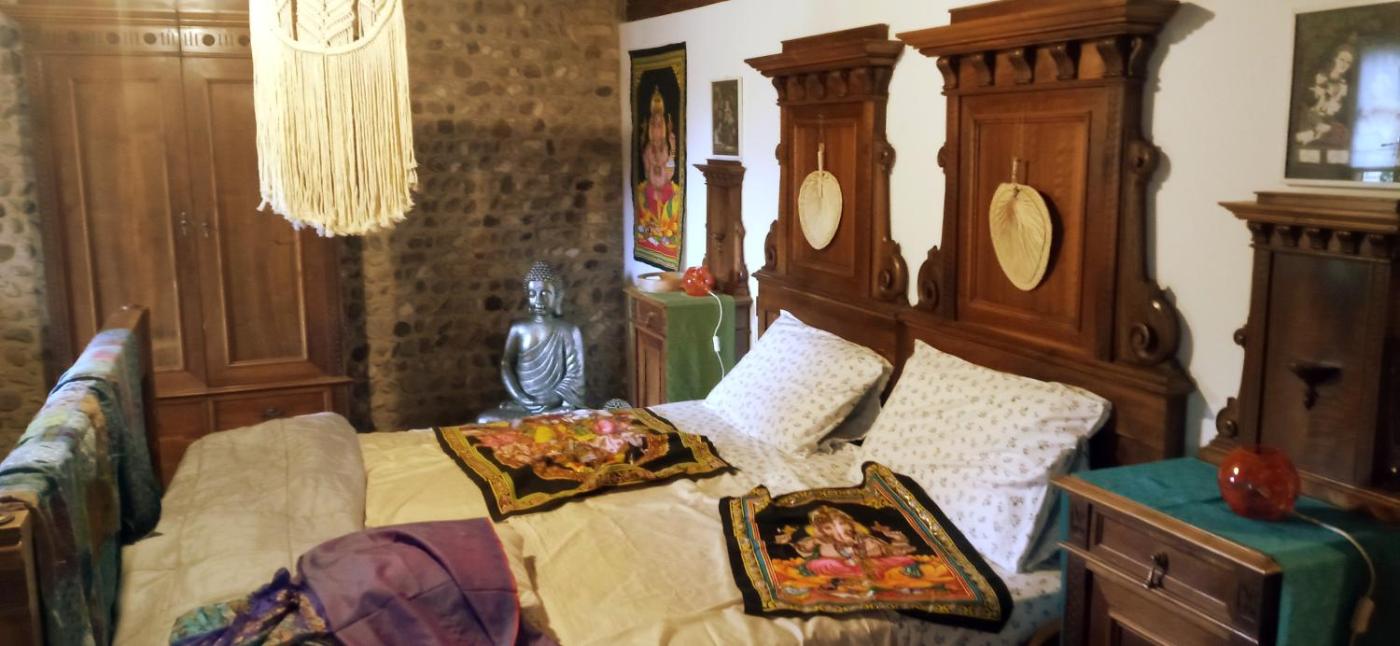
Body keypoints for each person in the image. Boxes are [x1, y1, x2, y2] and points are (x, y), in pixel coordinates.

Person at [476, 261, 588, 422]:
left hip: (556, 408)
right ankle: (534, 420)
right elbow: (506, 364)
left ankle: (539, 420)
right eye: (532, 294)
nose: (538, 300)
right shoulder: (519, 329)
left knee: (569, 419)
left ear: (557, 296)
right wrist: (521, 397)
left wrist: (554, 397)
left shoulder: (568, 330)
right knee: (484, 420)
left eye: (545, 294)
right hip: (523, 406)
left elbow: (575, 374)